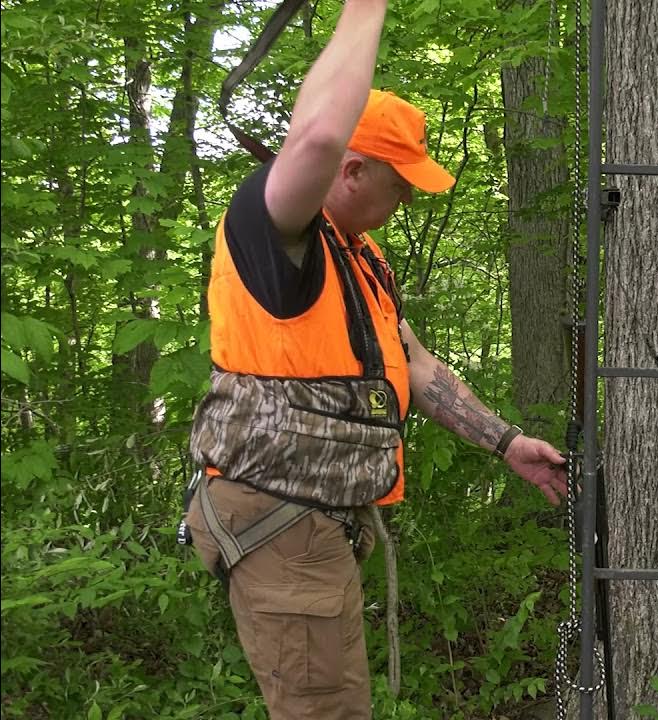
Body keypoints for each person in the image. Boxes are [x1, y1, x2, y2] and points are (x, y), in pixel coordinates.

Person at [181, 0, 569, 717]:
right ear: (352, 170)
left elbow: (413, 364)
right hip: (282, 522)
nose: (407, 202)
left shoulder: (358, 257)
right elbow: (320, 132)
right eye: (401, 184)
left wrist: (508, 442)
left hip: (315, 525)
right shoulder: (277, 231)